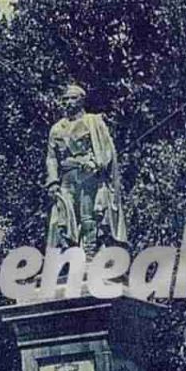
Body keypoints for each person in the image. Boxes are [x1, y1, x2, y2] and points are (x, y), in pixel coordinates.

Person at [45, 83, 127, 255]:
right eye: (65, 99)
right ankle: (68, 258)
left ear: (81, 100)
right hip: (67, 176)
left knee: (88, 216)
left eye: (73, 98)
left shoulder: (93, 122)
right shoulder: (57, 129)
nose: (68, 102)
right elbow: (52, 157)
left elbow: (106, 149)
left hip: (88, 175)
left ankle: (89, 255)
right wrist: (52, 181)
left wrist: (98, 163)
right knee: (63, 217)